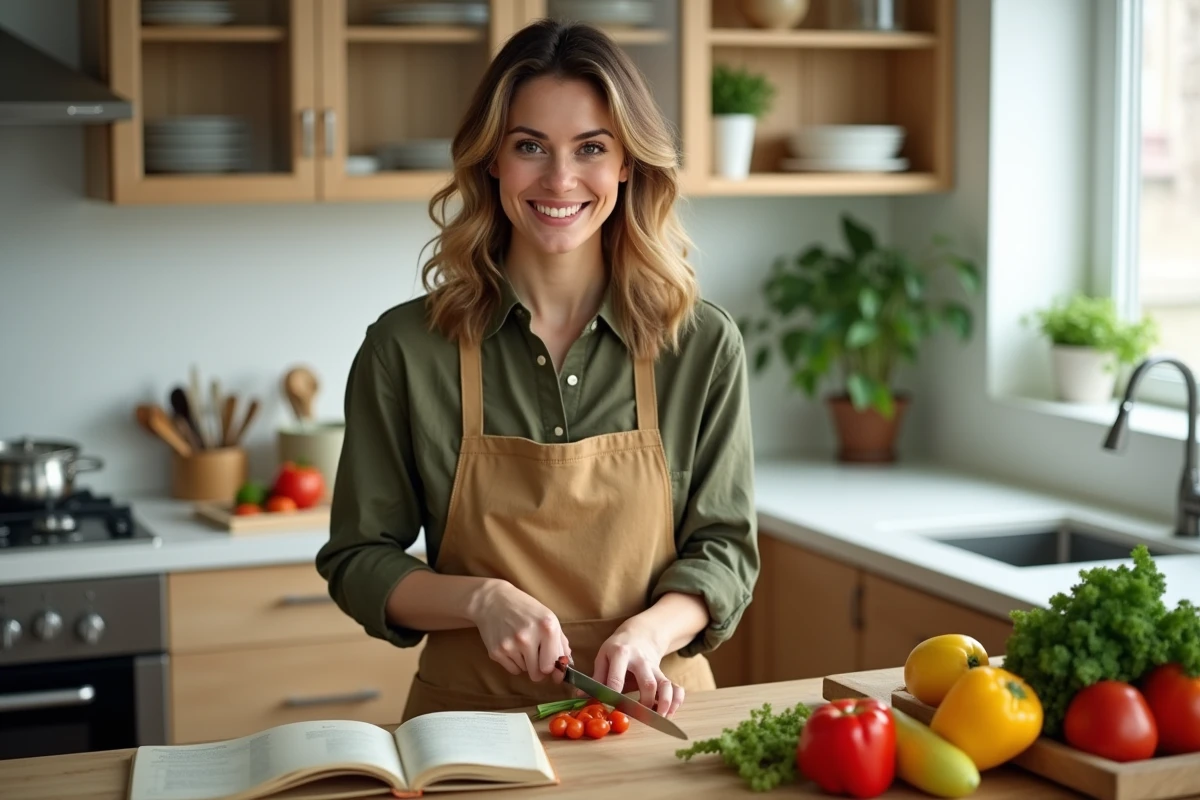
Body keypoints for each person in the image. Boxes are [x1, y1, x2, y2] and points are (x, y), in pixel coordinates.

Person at [316, 18, 758, 722]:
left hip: (648, 717)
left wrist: (650, 632)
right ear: (492, 159)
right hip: (469, 731)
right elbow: (358, 558)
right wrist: (479, 599)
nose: (560, 179)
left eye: (591, 148)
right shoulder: (406, 347)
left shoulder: (700, 343)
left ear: (626, 164)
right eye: (530, 147)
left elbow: (725, 552)